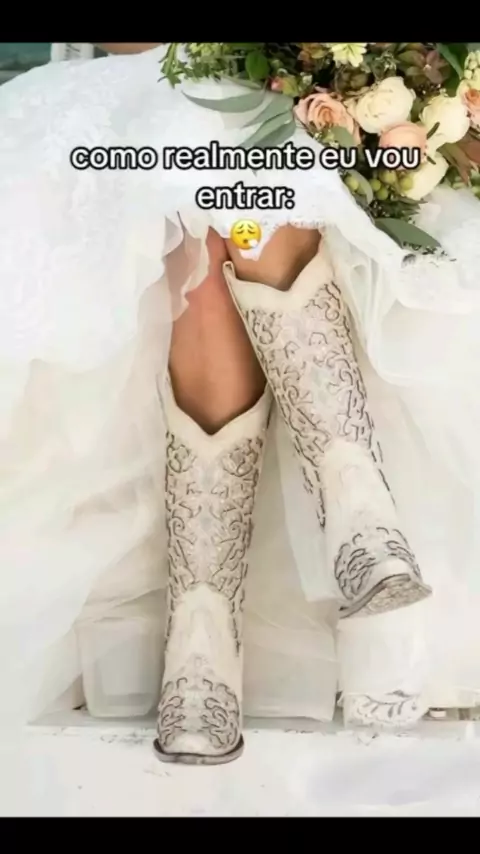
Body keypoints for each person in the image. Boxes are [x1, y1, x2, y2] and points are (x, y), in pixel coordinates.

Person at [1, 43, 479, 769]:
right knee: (207, 155)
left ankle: (205, 638)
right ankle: (357, 518)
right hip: (168, 94)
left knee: (235, 164)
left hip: (306, 130)